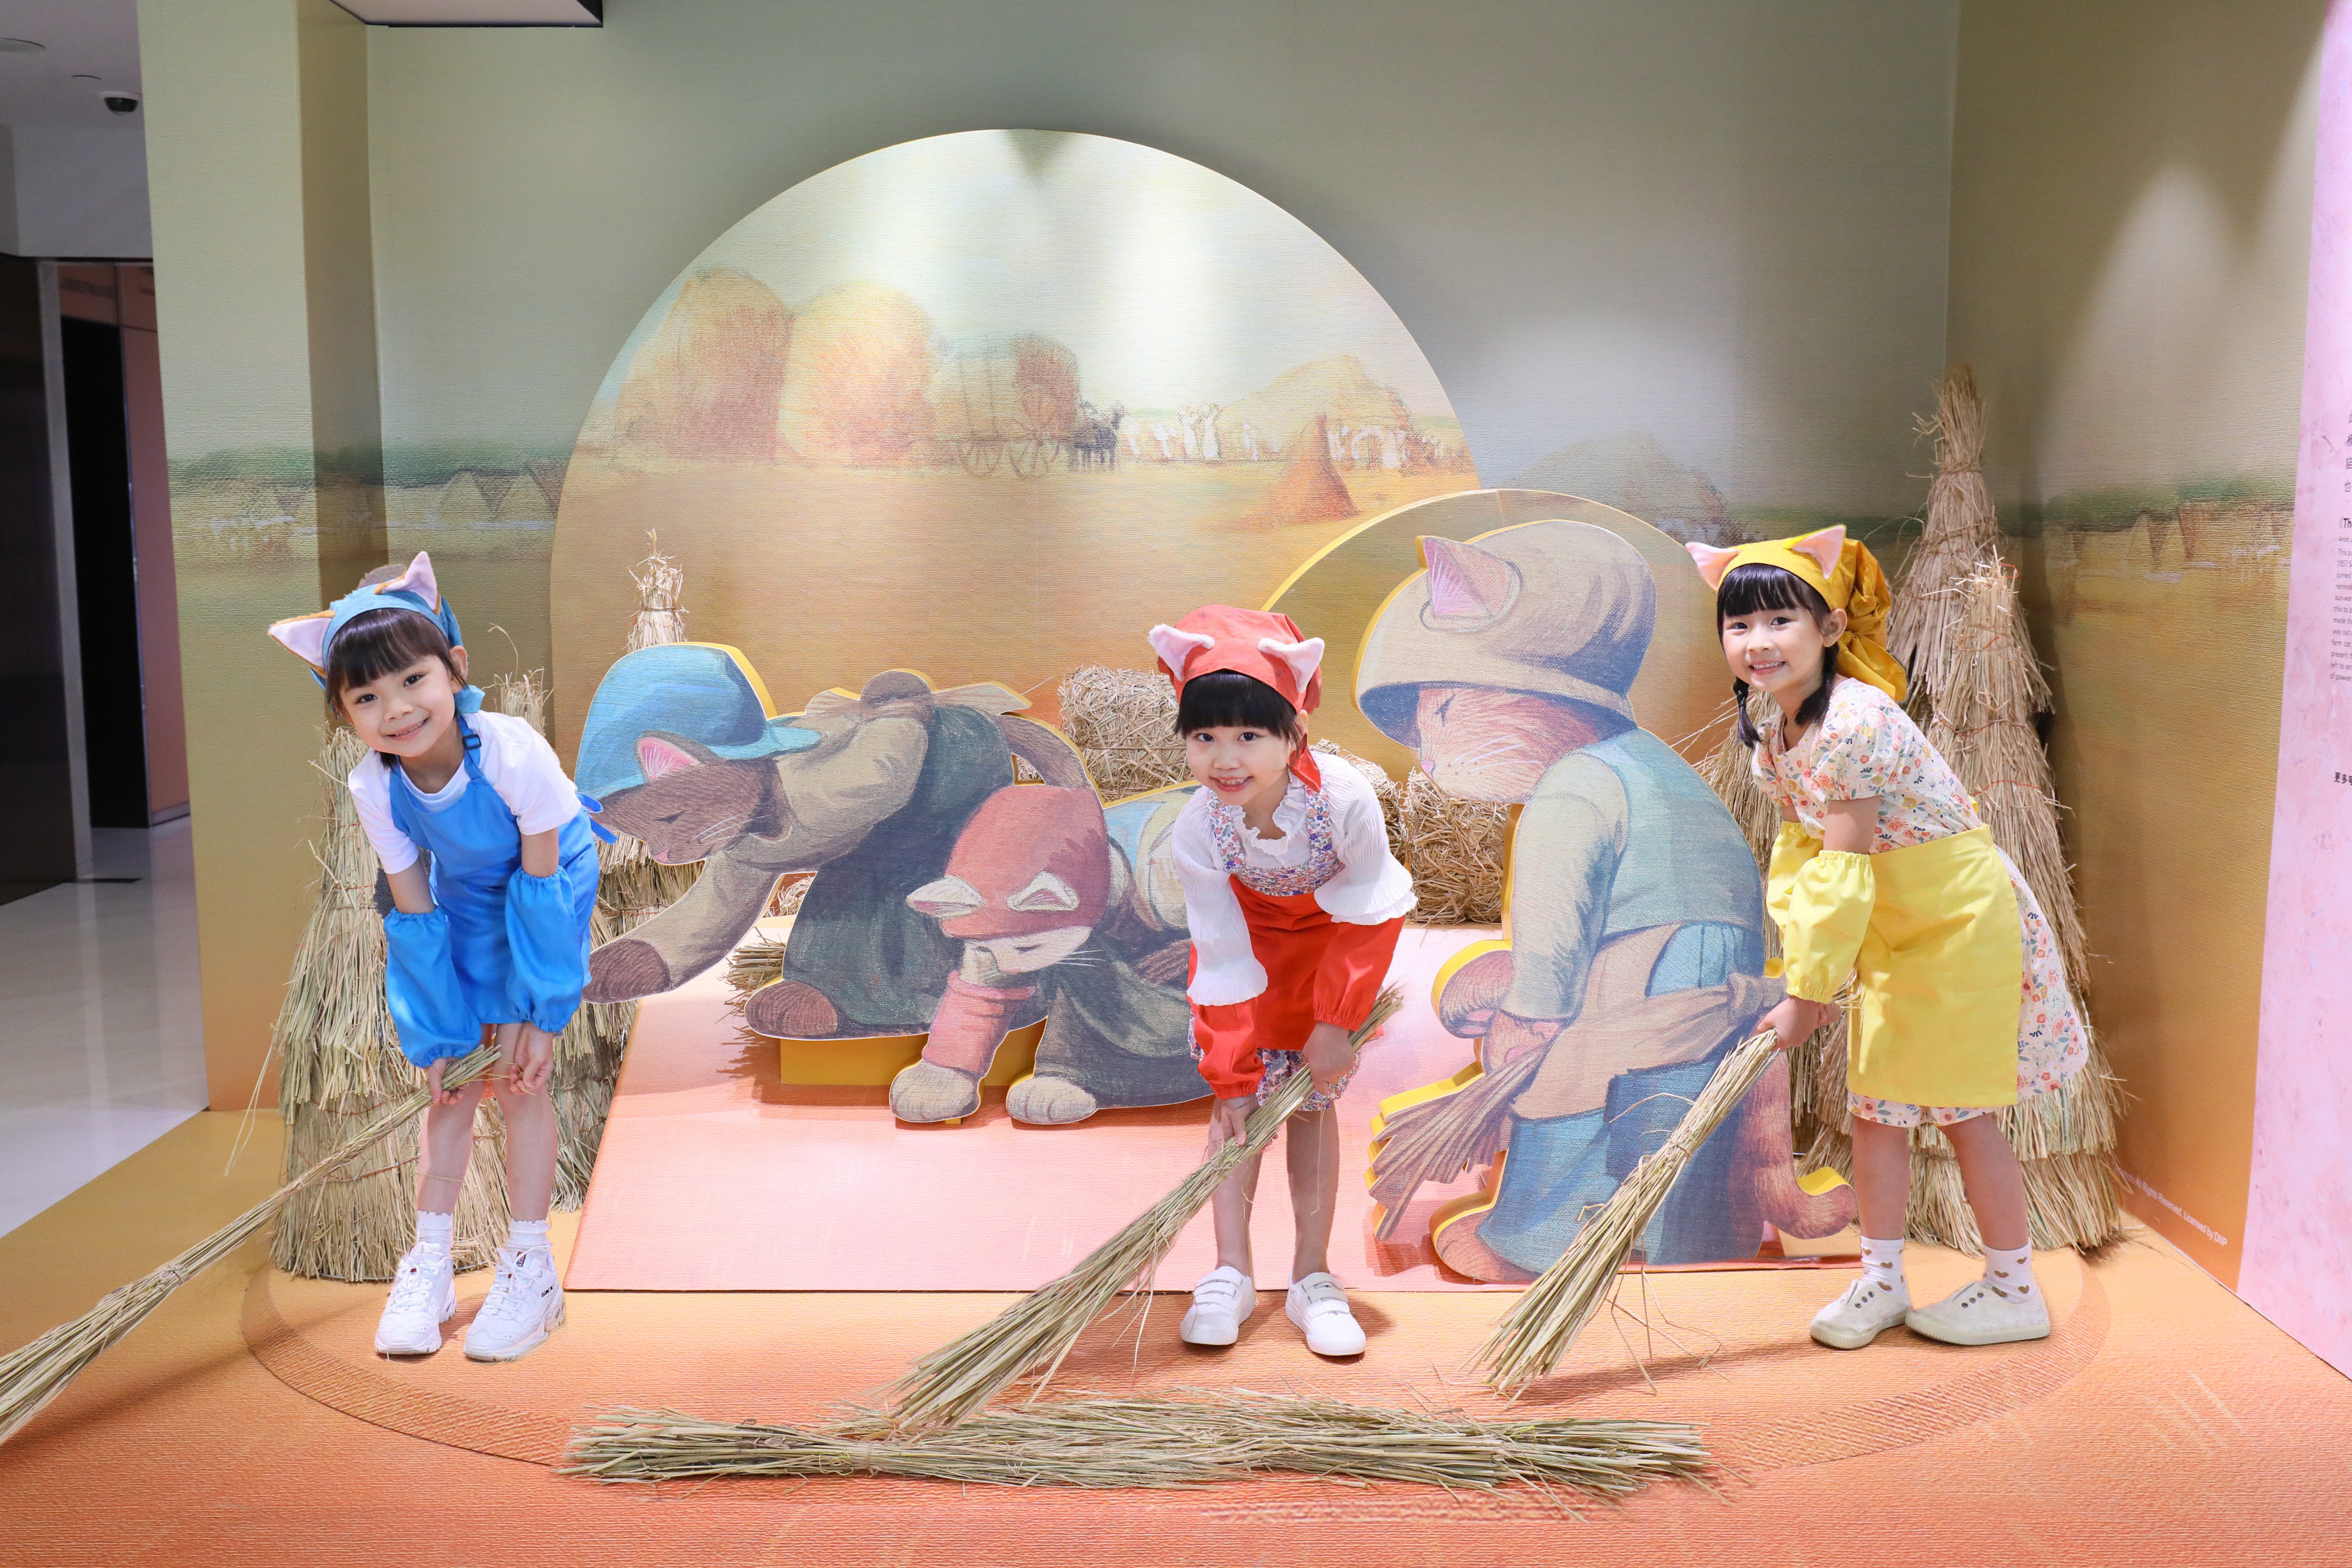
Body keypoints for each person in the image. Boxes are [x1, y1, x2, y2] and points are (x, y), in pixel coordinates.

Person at [1687, 527, 2090, 1349]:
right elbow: (1806, 857)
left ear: (1831, 627)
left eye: (1780, 620)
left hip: (1952, 922)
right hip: (1892, 922)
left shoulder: (1854, 723)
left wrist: (1808, 997)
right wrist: (1803, 967)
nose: (1758, 641)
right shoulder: (1776, 731)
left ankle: (2013, 1288)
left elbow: (1842, 865)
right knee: (1877, 1112)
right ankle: (1881, 1280)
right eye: (1739, 624)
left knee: (1963, 1112)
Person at [268, 553, 602, 1362]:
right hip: (462, 897)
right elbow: (415, 909)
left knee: (520, 1080)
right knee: (452, 1092)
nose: (396, 709)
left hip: (546, 879)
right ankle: (429, 1262)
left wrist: (537, 1015)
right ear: (343, 713)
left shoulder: (511, 750)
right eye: (366, 697)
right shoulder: (373, 788)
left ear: (455, 668)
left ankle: (532, 1268)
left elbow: (542, 885)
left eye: (412, 679)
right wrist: (442, 1034)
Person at [1149, 606, 1415, 1357]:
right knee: (1236, 1114)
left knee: (1311, 1109)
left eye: (1248, 736)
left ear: (1294, 732)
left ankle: (1311, 1278)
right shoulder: (1198, 827)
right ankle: (1229, 1272)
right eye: (1204, 738)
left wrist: (1336, 1020)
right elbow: (1218, 949)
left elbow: (1371, 913)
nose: (1224, 759)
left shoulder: (1345, 798)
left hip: (1332, 956)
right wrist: (1231, 1070)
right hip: (1248, 962)